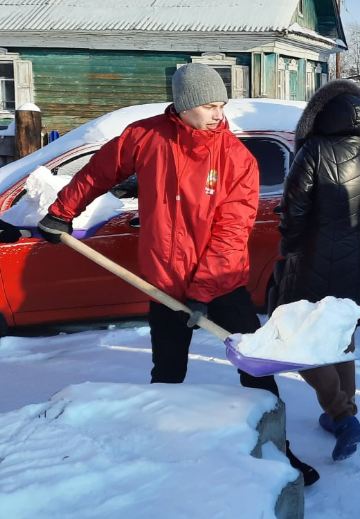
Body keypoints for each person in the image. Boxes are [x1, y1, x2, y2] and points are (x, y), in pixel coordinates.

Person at [36, 63, 318, 486]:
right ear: (184, 106)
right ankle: (162, 452)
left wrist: (203, 291)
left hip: (222, 285)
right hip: (164, 282)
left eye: (221, 104)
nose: (218, 114)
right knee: (167, 374)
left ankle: (280, 450)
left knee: (254, 371)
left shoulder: (236, 159)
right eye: (208, 105)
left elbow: (230, 233)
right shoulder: (145, 137)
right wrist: (62, 211)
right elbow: (98, 171)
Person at [269, 79, 360, 461]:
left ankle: (343, 415)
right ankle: (343, 414)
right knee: (340, 336)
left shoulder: (313, 151)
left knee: (299, 340)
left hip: (315, 261)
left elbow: (295, 207)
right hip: (356, 260)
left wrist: (290, 244)